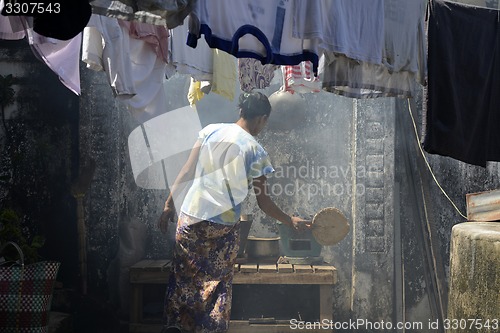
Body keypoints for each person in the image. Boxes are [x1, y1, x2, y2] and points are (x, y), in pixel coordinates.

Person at [157, 91, 311, 333]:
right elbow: (264, 203)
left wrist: (168, 204)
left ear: (240, 111)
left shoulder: (210, 131)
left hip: (191, 217)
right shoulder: (255, 150)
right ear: (262, 119)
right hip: (222, 228)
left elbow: (187, 171)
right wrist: (289, 219)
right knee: (217, 285)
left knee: (184, 279)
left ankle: (177, 326)